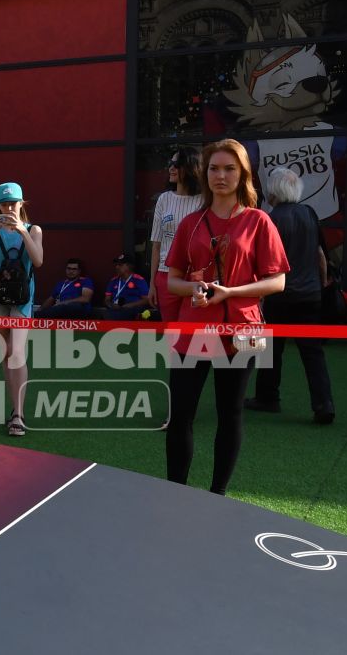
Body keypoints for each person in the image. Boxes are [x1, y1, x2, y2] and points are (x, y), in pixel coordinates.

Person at [164, 140, 287, 494]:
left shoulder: (259, 221)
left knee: (230, 413)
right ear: (204, 174)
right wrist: (196, 288)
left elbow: (277, 280)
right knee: (181, 415)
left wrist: (230, 292)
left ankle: (217, 495)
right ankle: (175, 491)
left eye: (229, 168)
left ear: (243, 174)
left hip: (243, 329)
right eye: (214, 168)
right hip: (193, 329)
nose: (221, 175)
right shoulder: (190, 223)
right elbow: (173, 279)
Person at [249, 168, 335, 422]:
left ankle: (267, 397)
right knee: (313, 352)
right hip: (310, 294)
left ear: (272, 191)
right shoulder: (309, 213)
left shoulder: (269, 219)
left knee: (271, 350)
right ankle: (324, 404)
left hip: (279, 294)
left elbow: (262, 261)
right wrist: (321, 284)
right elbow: (320, 255)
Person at [0, 182, 43, 436]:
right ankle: (14, 406)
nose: (9, 208)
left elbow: (37, 260)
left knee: (17, 352)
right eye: (4, 204)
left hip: (23, 298)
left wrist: (22, 231)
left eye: (13, 203)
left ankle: (19, 413)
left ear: (21, 203)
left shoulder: (33, 229)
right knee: (6, 354)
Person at [149, 147, 203, 324]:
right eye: (170, 164)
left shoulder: (205, 200)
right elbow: (156, 245)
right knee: (172, 333)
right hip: (165, 277)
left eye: (177, 164)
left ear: (191, 167)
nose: (171, 168)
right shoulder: (164, 199)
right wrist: (152, 284)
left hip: (195, 277)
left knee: (195, 333)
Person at [102, 254, 151, 320]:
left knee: (123, 314)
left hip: (132, 309)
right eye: (116, 265)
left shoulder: (138, 280)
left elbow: (146, 300)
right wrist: (111, 305)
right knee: (105, 316)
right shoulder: (113, 281)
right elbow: (107, 299)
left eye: (120, 265)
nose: (117, 267)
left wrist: (129, 305)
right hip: (114, 309)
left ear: (129, 266)